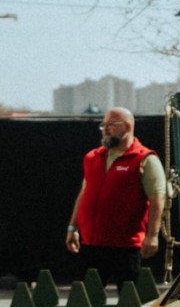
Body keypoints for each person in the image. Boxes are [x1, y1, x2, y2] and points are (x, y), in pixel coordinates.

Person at [66, 107, 167, 287]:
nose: (105, 129)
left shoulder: (145, 159)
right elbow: (84, 193)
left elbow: (157, 199)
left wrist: (152, 235)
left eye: (111, 125)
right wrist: (73, 227)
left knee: (129, 297)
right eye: (103, 125)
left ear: (127, 127)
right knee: (86, 297)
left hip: (126, 246)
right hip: (91, 243)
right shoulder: (92, 157)